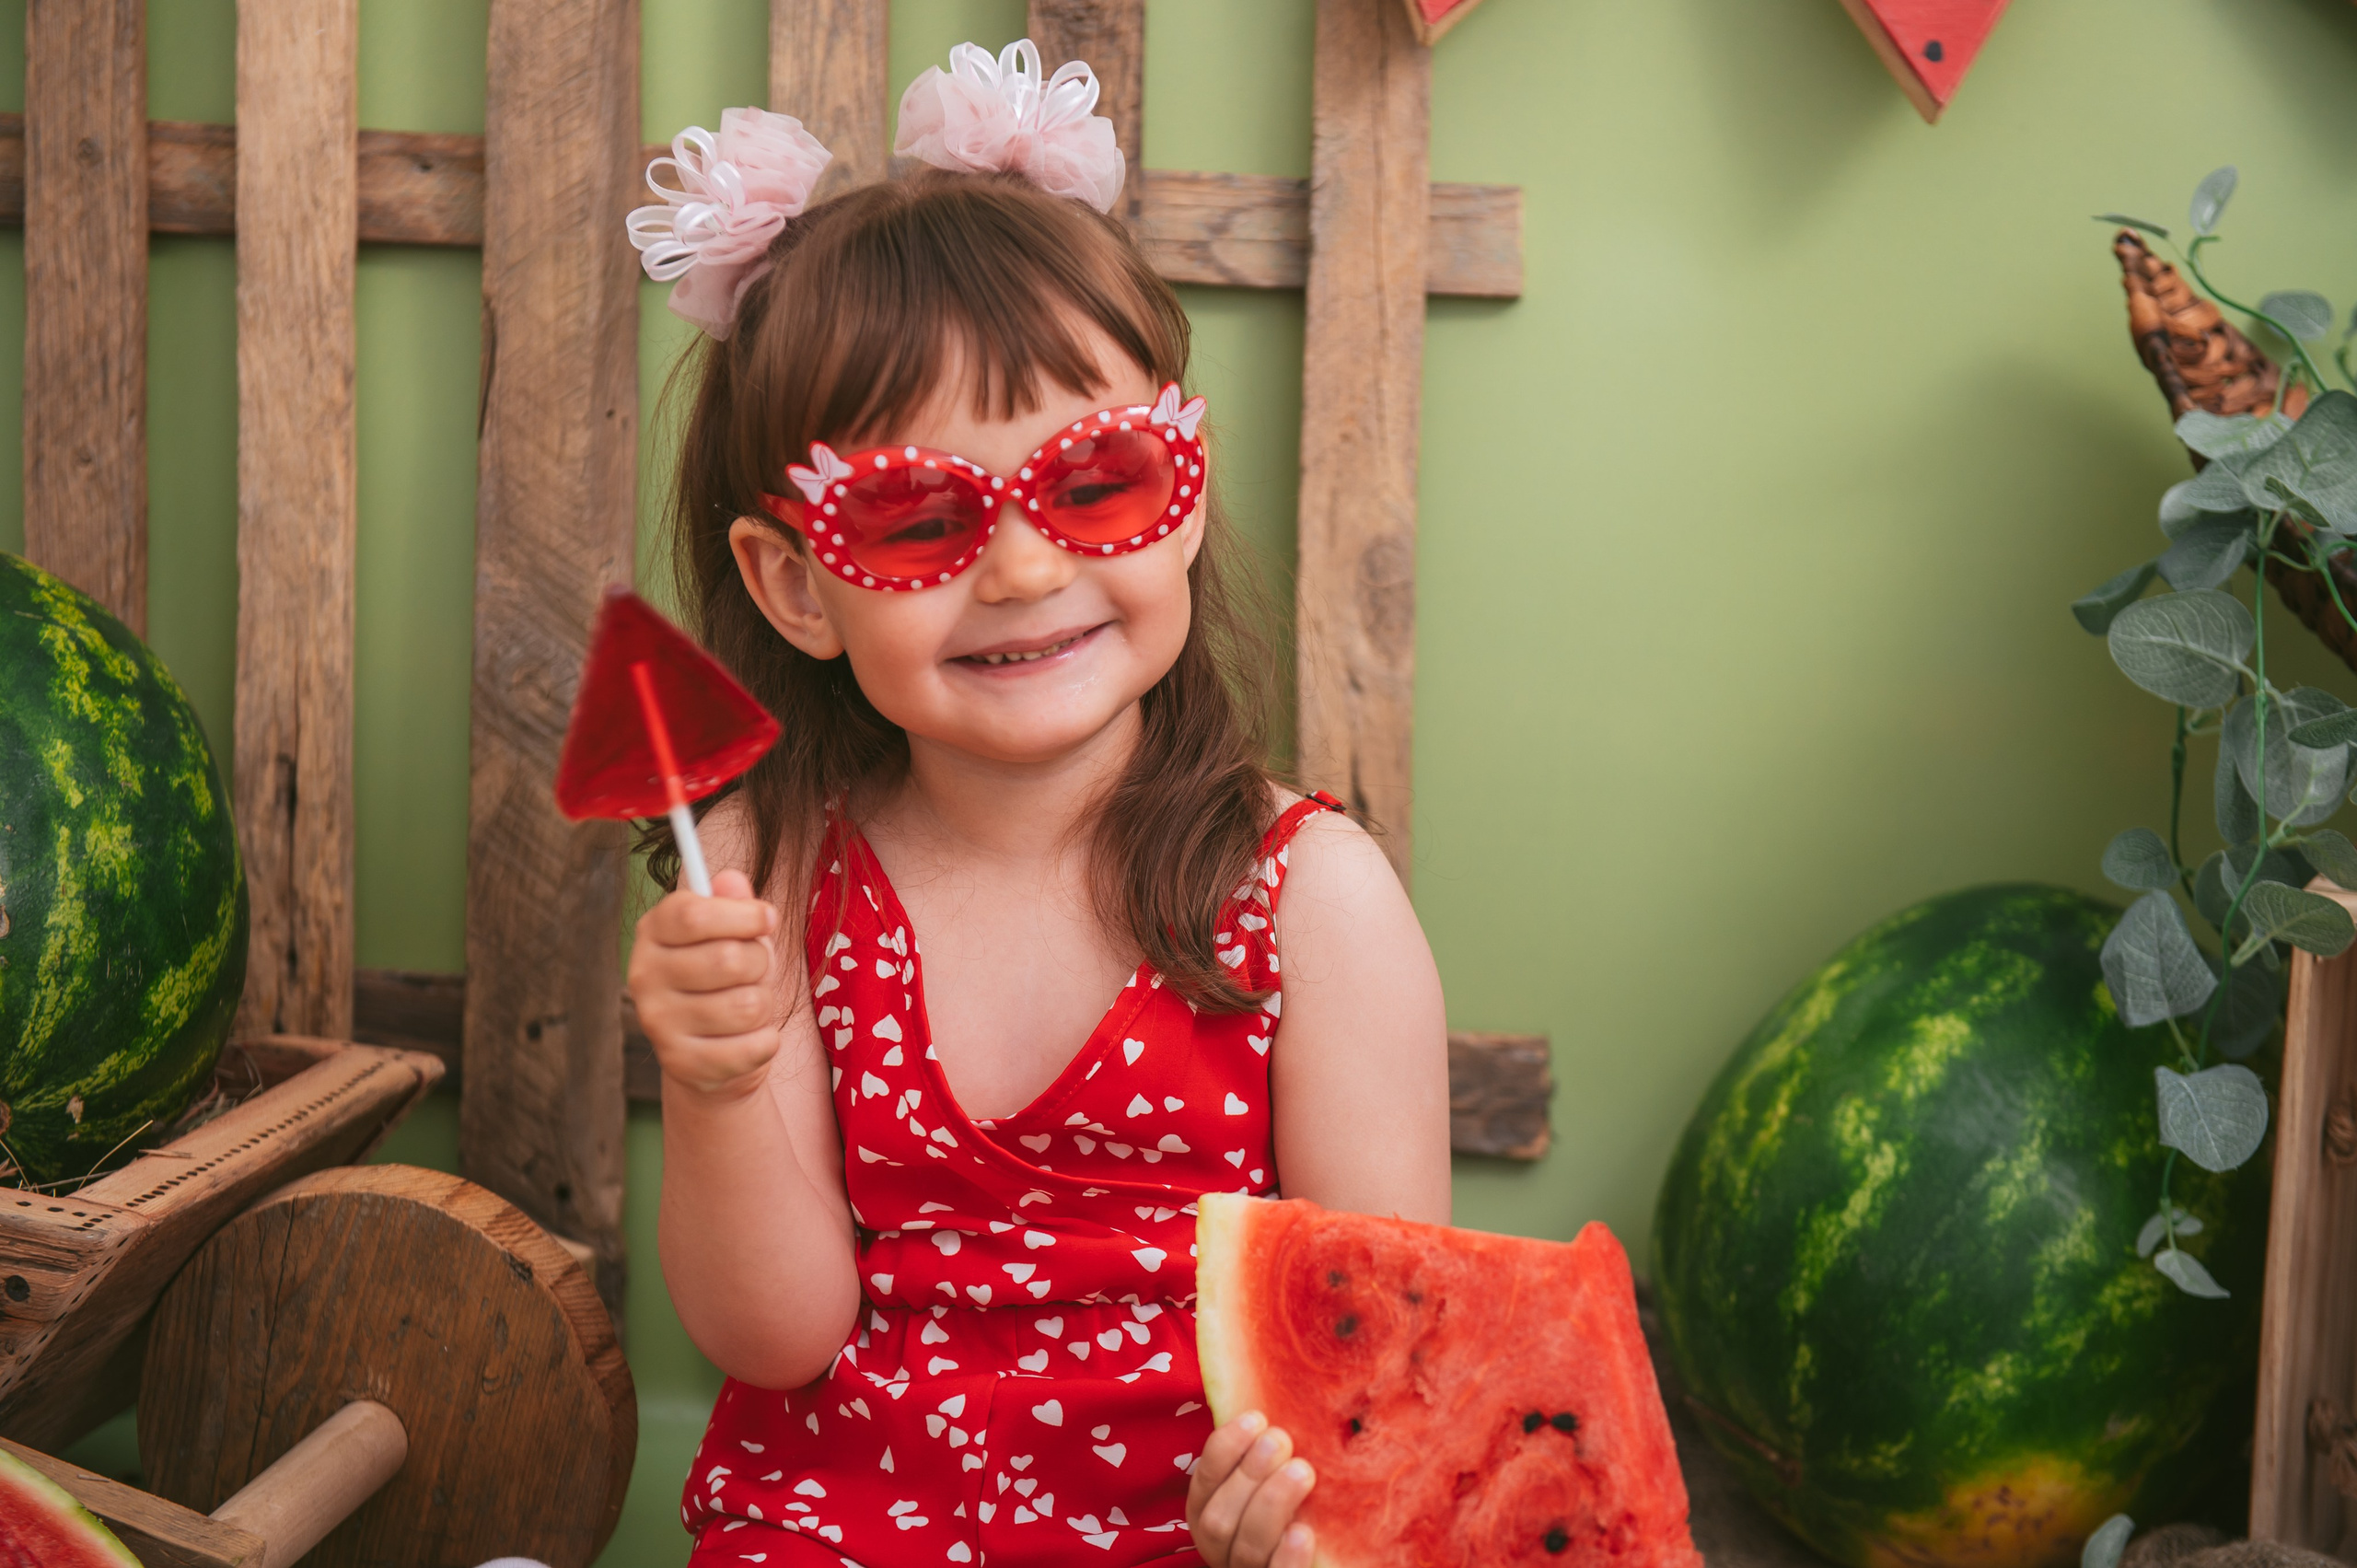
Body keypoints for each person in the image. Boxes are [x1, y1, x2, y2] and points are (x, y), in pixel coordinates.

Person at [623, 39, 1448, 1568]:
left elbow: (1383, 1363)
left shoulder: (1309, 894)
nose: (1021, 570)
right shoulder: (765, 871)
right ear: (796, 586)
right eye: (919, 516)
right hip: (837, 1529)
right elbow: (776, 1336)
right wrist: (718, 1076)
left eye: (1095, 482)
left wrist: (1297, 1525)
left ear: (1184, 494)